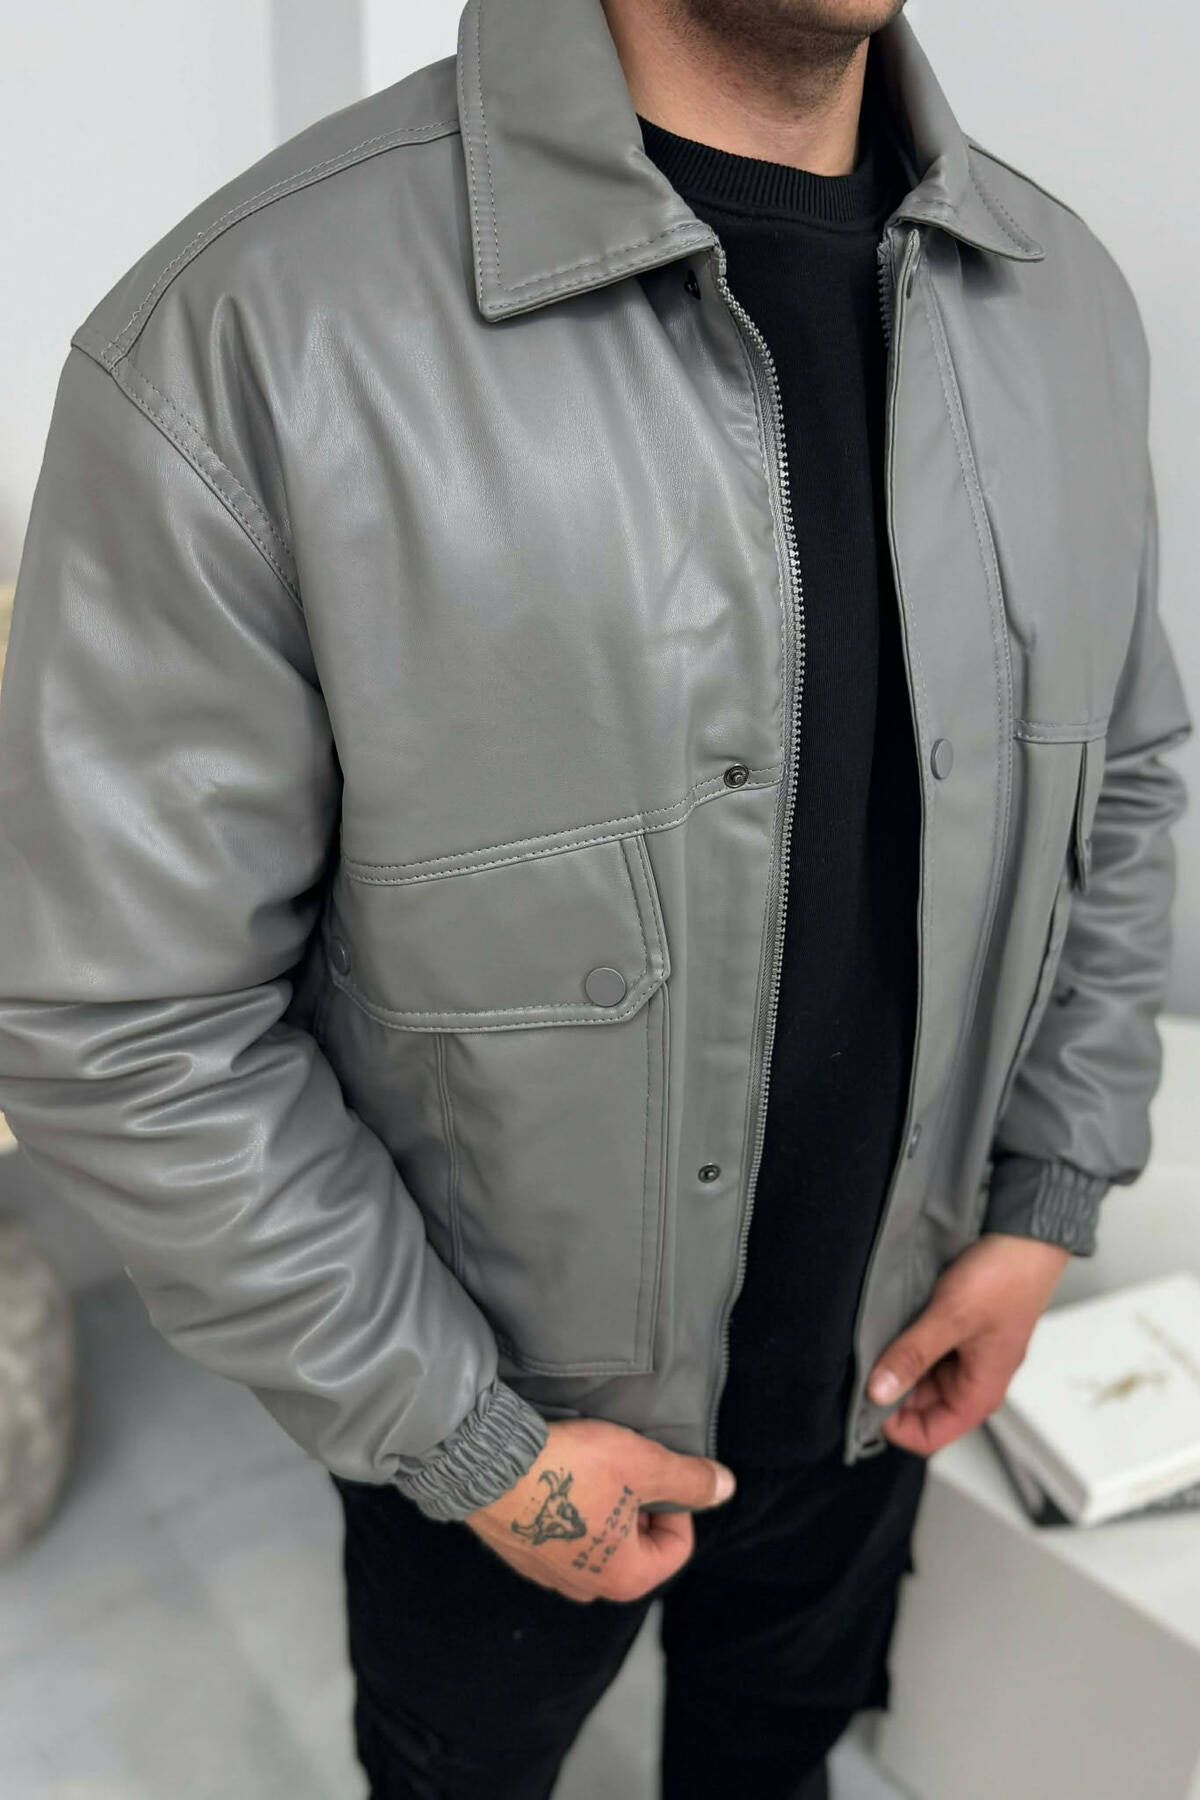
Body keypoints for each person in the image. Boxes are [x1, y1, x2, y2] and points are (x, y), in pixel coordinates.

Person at [0, 0, 1190, 1795]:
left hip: (889, 1356)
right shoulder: (254, 330)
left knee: (778, 1753)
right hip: (502, 1419)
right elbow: (123, 1015)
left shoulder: (1059, 296)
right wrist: (467, 1440)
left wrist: (1045, 1197)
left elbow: (1126, 775)